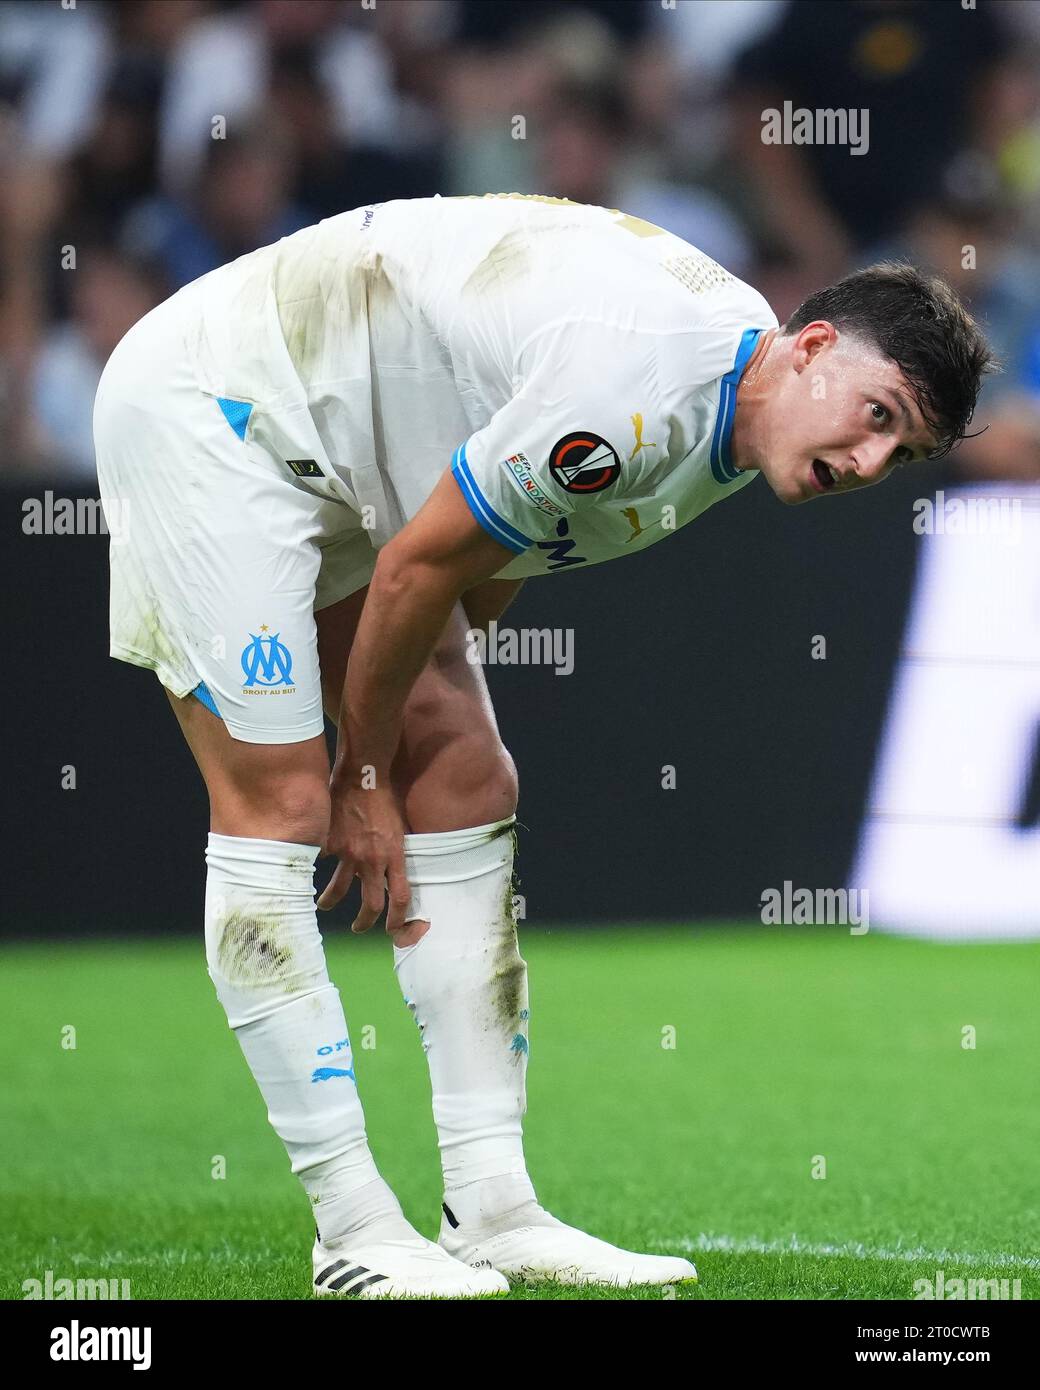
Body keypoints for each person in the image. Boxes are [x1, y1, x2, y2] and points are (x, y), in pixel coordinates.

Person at [93, 194, 993, 1298]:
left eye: (898, 451)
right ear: (809, 347)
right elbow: (419, 567)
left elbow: (493, 551)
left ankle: (492, 1208)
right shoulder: (641, 395)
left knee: (467, 771)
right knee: (283, 803)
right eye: (875, 412)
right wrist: (365, 780)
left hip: (339, 430)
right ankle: (351, 1228)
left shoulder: (732, 413)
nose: (866, 459)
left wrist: (412, 739)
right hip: (218, 409)